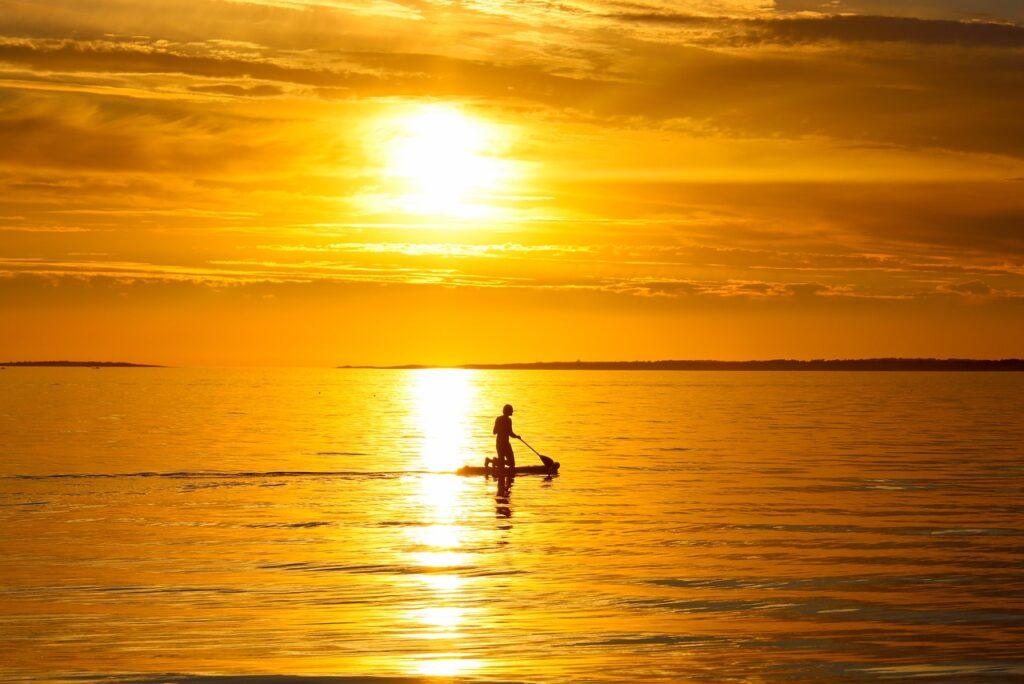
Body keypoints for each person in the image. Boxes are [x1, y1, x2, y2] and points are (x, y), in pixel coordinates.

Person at [489, 403, 520, 473]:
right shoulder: (501, 419)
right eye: (511, 411)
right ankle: (492, 461)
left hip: (506, 444)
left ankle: (493, 461)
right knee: (503, 466)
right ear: (507, 411)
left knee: (511, 464)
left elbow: (510, 433)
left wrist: (517, 436)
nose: (512, 412)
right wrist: (501, 428)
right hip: (501, 444)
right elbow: (494, 432)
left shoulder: (508, 420)